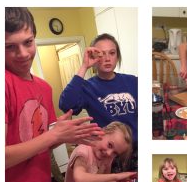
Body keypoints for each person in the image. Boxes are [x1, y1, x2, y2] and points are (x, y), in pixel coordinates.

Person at [5, 7, 104, 182]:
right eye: (9, 46)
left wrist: (71, 134)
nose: (22, 53)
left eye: (28, 42)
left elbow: (42, 142)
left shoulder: (43, 87)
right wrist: (54, 134)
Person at [59, 33, 138, 171]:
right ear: (94, 58)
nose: (107, 58)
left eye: (112, 53)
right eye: (101, 54)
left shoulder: (133, 81)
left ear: (117, 56)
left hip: (137, 149)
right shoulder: (87, 87)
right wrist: (84, 66)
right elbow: (66, 104)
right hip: (109, 155)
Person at [61, 121, 137, 182]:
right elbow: (79, 179)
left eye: (115, 153)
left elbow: (105, 180)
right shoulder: (82, 151)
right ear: (102, 133)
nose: (109, 153)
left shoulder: (108, 157)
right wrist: (115, 176)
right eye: (110, 145)